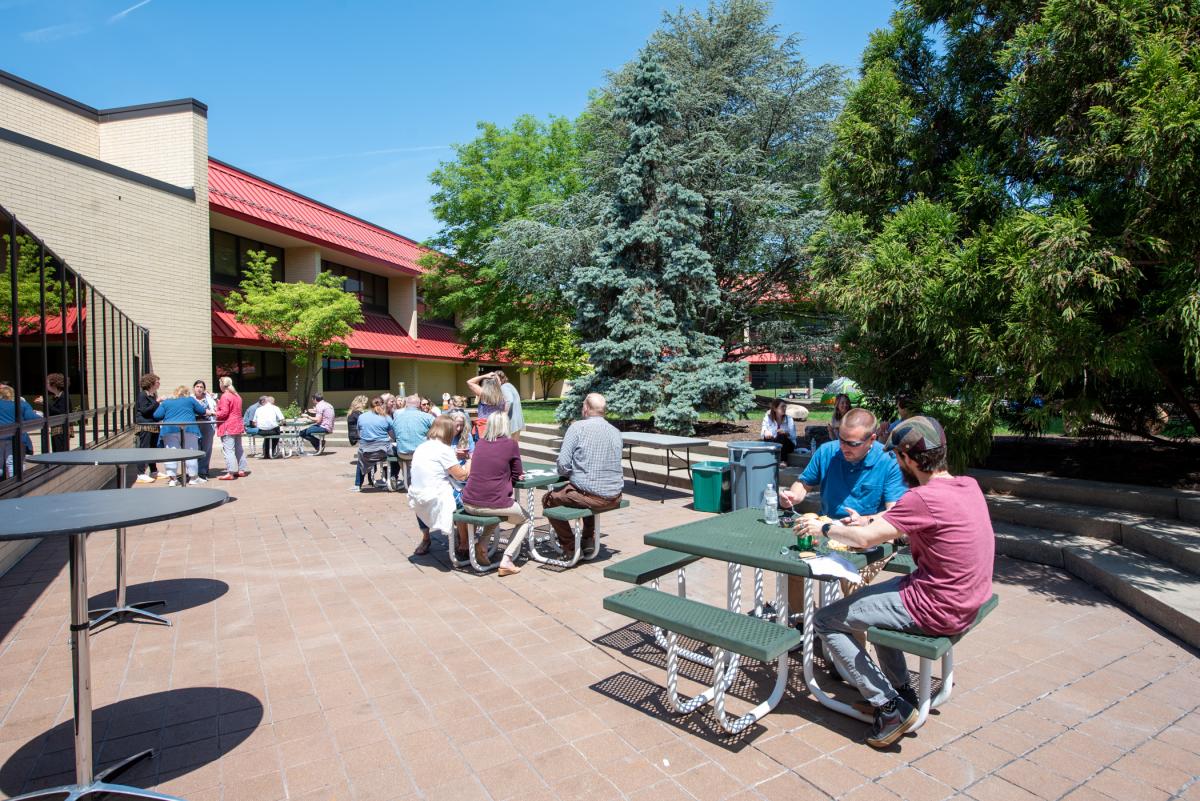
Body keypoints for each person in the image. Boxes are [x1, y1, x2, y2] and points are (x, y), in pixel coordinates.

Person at [795, 416, 995, 749]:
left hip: (940, 606)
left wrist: (825, 528)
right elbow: (893, 521)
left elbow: (865, 539)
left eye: (897, 456)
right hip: (966, 597)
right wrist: (869, 519)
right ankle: (901, 692)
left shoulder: (923, 498)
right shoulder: (967, 486)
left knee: (826, 620)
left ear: (906, 458)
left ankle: (889, 708)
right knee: (874, 600)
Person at [780, 408, 907, 520]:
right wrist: (794, 496)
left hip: (868, 533)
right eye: (841, 439)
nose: (843, 447)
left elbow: (894, 511)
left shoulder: (889, 461)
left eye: (852, 444)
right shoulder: (827, 451)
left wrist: (866, 521)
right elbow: (804, 483)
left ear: (872, 439)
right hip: (827, 525)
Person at [543, 393, 624, 558]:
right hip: (615, 495)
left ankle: (571, 548)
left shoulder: (577, 428)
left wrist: (569, 472)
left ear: (586, 408)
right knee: (582, 492)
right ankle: (587, 539)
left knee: (549, 499)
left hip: (593, 496)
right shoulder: (615, 431)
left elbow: (563, 464)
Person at [462, 411, 531, 576]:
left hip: (469, 501)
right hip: (492, 502)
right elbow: (517, 474)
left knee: (495, 510)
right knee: (526, 519)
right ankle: (507, 559)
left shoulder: (480, 444)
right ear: (505, 425)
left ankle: (483, 544)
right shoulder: (511, 444)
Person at [409, 416, 470, 558]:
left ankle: (426, 538)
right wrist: (469, 464)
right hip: (437, 498)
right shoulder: (444, 450)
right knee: (467, 498)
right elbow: (461, 476)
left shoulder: (422, 446)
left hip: (417, 496)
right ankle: (465, 541)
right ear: (448, 431)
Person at [153, 385, 207, 486]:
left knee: (171, 454)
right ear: (186, 393)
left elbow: (157, 415)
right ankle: (193, 478)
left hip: (169, 429)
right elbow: (202, 411)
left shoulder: (167, 402)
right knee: (191, 453)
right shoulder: (190, 400)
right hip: (189, 428)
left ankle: (173, 479)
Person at [351, 397, 392, 492]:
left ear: (370, 406)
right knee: (396, 456)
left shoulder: (361, 417)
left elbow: (359, 434)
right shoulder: (386, 417)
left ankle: (358, 484)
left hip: (366, 451)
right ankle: (392, 478)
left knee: (360, 461)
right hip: (383, 452)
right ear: (383, 405)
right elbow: (393, 435)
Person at [0, 384, 41, 479]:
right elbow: (33, 419)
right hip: (17, 438)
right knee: (13, 464)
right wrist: (40, 414)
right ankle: (16, 486)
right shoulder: (21, 404)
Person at [391, 394, 433, 485]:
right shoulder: (427, 417)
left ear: (406, 404)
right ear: (419, 405)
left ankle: (407, 479)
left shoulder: (396, 418)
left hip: (402, 453)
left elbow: (393, 436)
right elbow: (439, 430)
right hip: (422, 453)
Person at [214, 376, 248, 480]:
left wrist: (213, 412)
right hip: (237, 425)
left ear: (222, 384)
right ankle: (241, 469)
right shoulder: (237, 396)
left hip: (228, 425)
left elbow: (224, 413)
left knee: (228, 450)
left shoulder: (226, 396)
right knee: (239, 448)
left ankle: (231, 472)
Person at [134, 372, 161, 482]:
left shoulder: (152, 395)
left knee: (153, 448)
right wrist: (157, 402)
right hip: (145, 425)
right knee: (144, 448)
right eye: (157, 381)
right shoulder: (142, 395)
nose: (159, 383)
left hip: (153, 424)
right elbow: (144, 410)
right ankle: (140, 473)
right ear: (151, 383)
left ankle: (154, 471)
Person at [466, 373, 506, 441]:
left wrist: (484, 376)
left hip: (483, 427)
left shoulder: (483, 394)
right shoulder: (502, 396)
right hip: (498, 426)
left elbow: (469, 382)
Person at [192, 380, 217, 479]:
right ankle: (194, 471)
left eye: (201, 387)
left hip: (207, 425)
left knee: (206, 448)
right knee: (195, 448)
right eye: (197, 386)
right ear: (194, 388)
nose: (199, 388)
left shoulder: (208, 398)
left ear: (204, 389)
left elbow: (215, 409)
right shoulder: (190, 398)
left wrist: (214, 397)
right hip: (194, 425)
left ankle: (203, 471)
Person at [40, 373, 69, 453]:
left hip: (61, 428)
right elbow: (54, 410)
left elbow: (61, 412)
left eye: (47, 383)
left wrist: (45, 403)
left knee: (60, 449)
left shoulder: (63, 396)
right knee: (56, 448)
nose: (46, 385)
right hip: (56, 427)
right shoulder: (56, 396)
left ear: (54, 384)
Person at [761, 398, 797, 463]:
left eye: (785, 406)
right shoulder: (767, 418)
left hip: (788, 445)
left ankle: (783, 461)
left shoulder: (789, 419)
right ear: (775, 409)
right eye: (782, 407)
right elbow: (762, 433)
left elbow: (793, 436)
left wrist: (786, 433)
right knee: (766, 438)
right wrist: (766, 432)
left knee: (781, 436)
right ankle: (771, 458)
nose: (784, 408)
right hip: (774, 443)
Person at [496, 372, 525, 443]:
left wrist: (504, 415)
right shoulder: (509, 385)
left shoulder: (504, 387)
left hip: (511, 421)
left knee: (509, 447)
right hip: (517, 421)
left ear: (500, 379)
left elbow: (509, 401)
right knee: (514, 447)